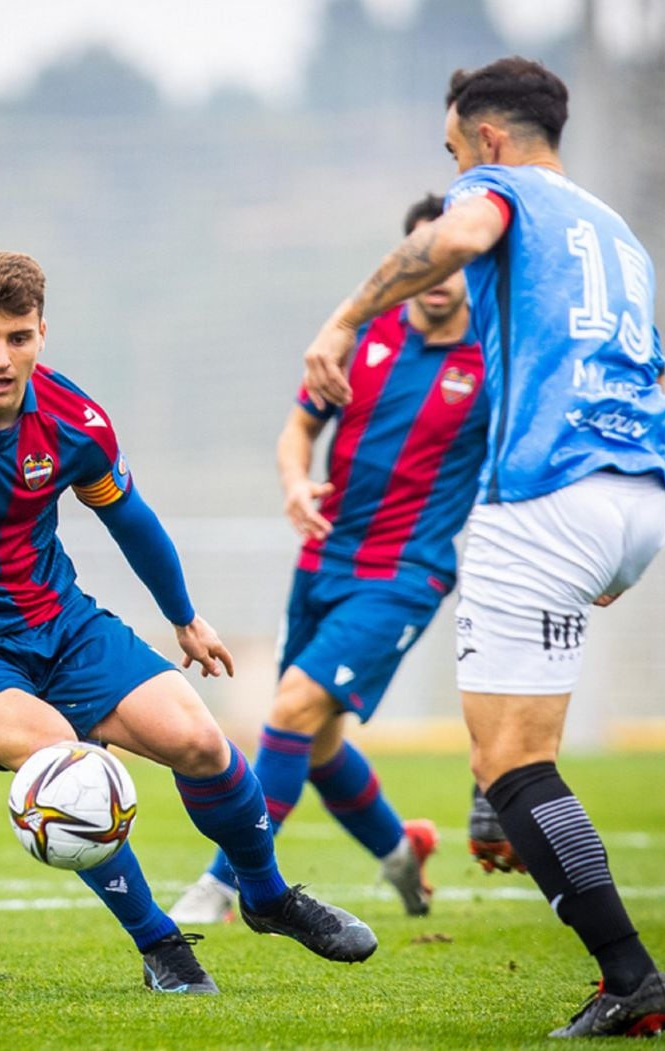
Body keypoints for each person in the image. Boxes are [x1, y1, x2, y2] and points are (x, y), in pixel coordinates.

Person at [0, 250, 377, 997]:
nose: (0, 358)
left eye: (18, 338)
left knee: (201, 740)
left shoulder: (75, 420)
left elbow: (128, 515)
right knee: (57, 758)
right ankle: (163, 945)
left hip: (59, 624)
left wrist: (184, 616)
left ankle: (265, 895)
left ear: (42, 334)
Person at [301, 58, 665, 1038]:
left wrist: (345, 320)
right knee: (517, 756)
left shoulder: (496, 188)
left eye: (453, 148)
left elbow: (461, 232)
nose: (456, 165)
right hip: (637, 493)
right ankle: (492, 810)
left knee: (516, 764)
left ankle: (628, 976)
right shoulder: (616, 233)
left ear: (490, 140)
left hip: (548, 492)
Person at [169, 194, 489, 926]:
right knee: (315, 744)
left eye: (453, 259)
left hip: (405, 574)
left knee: (289, 710)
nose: (437, 274)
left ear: (472, 266)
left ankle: (228, 887)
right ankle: (401, 848)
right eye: (425, 257)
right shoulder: (363, 335)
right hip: (323, 560)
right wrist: (293, 481)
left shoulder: (492, 362)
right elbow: (296, 428)